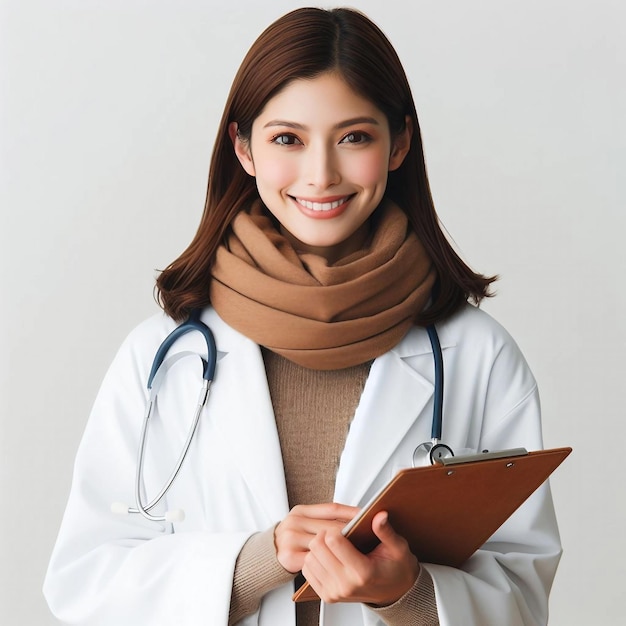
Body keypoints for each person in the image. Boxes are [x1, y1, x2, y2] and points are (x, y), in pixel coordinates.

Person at [43, 6, 562, 626]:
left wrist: (408, 592)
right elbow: (84, 585)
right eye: (287, 138)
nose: (321, 175)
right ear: (244, 147)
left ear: (399, 143)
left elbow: (523, 600)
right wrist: (256, 560)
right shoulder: (164, 356)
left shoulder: (476, 354)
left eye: (355, 137)